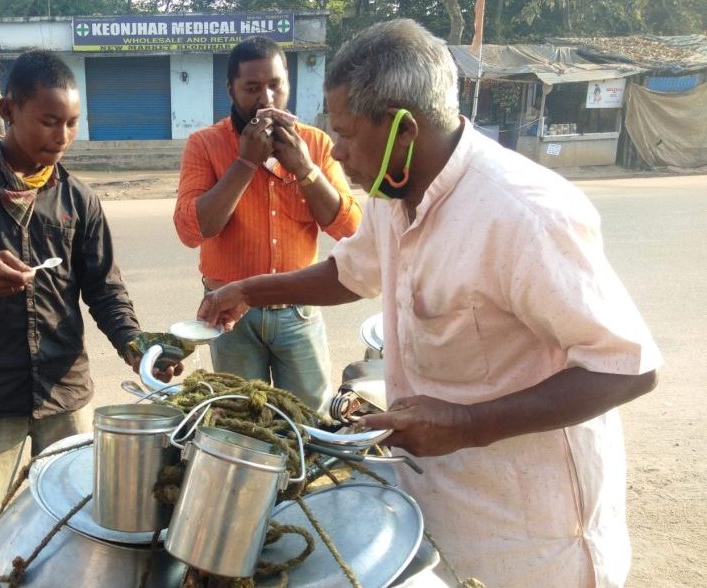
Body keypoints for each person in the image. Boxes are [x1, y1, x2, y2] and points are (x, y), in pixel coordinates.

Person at [197, 19, 661, 588]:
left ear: (403, 129)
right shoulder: (395, 192)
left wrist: (467, 423)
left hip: (530, 539)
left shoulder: (523, 213)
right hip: (432, 510)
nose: (335, 154)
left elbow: (628, 366)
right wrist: (247, 290)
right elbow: (351, 273)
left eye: (344, 135)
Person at [0, 50, 181, 588]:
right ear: (9, 109)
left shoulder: (79, 199)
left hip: (65, 397)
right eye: (49, 120)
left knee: (75, 538)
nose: (62, 134)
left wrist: (137, 347)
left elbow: (105, 290)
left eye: (72, 122)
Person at [174, 36, 361, 413]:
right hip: (229, 317)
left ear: (288, 84)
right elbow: (192, 230)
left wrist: (304, 168)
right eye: (252, 88)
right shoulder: (204, 145)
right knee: (245, 423)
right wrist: (245, 163)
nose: (266, 100)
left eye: (276, 85)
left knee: (308, 419)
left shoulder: (316, 144)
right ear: (231, 89)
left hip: (298, 312)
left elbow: (349, 228)